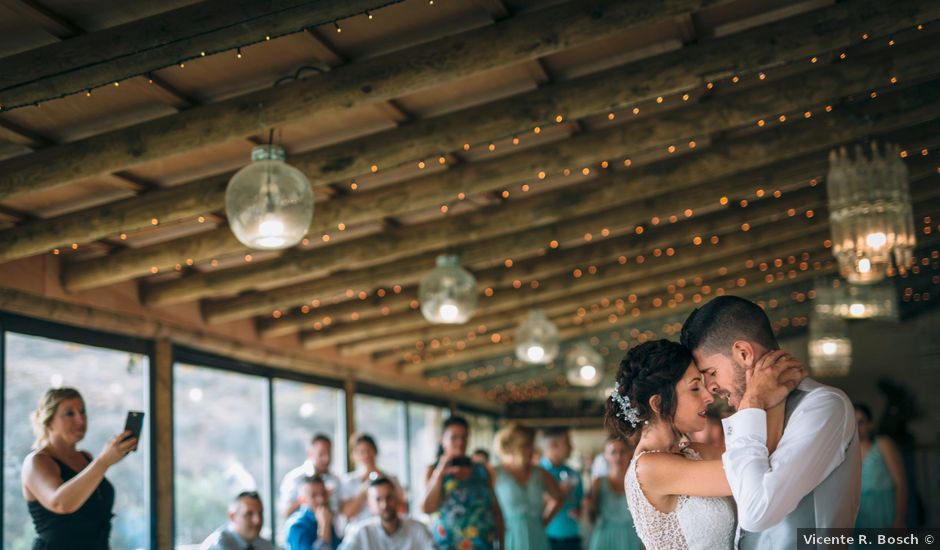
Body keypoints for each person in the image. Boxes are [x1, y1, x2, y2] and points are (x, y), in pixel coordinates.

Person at [680, 295, 861, 549]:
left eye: (711, 373)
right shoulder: (748, 417)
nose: (710, 389)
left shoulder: (823, 405)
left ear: (743, 353)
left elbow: (757, 514)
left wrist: (752, 401)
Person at [21, 387, 137, 550]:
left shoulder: (86, 457)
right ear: (48, 421)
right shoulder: (36, 461)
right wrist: (103, 462)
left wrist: (108, 458)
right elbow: (60, 504)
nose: (80, 420)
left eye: (82, 412)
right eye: (69, 413)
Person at [422, 416, 503, 549]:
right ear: (443, 439)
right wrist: (441, 471)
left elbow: (496, 510)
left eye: (464, 437)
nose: (460, 443)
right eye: (454, 437)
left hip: (482, 545)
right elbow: (427, 508)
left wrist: (501, 544)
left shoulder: (481, 470)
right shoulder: (433, 470)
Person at [493, 422, 564, 550]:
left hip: (537, 535)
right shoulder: (495, 473)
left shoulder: (539, 472)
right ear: (514, 447)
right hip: (509, 536)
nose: (532, 450)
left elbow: (558, 498)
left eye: (532, 445)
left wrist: (543, 522)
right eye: (527, 445)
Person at [339, 477, 435, 550]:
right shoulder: (361, 532)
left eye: (389, 497)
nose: (385, 505)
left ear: (397, 498)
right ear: (369, 504)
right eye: (378, 499)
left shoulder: (417, 529)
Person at [854, 404, 907, 528]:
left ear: (870, 424)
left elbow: (901, 482)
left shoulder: (883, 444)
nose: (857, 428)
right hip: (859, 513)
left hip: (884, 508)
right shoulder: (847, 452)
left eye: (861, 422)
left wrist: (900, 519)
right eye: (853, 423)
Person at [338, 433, 405, 530]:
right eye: (360, 452)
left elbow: (401, 507)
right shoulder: (349, 481)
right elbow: (347, 513)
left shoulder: (391, 479)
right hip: (359, 531)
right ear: (354, 455)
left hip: (387, 530)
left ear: (375, 450)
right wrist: (365, 489)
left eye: (368, 450)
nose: (365, 455)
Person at [584, 438, 642, 550]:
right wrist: (587, 507)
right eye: (613, 452)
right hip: (604, 537)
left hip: (632, 538)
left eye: (622, 451)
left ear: (630, 453)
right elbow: (590, 518)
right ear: (605, 455)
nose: (618, 456)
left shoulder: (638, 482)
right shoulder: (598, 482)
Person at [539, 428, 583, 550]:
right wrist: (558, 493)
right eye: (568, 443)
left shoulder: (573, 473)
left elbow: (580, 503)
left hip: (573, 538)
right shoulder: (536, 474)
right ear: (553, 445)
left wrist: (581, 511)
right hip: (545, 539)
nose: (572, 447)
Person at [279, 434, 340, 519]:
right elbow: (285, 512)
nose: (327, 458)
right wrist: (305, 499)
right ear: (310, 453)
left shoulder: (335, 480)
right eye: (321, 454)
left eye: (329, 453)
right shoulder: (294, 478)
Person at [200, 491, 276, 550]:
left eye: (260, 513)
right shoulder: (217, 546)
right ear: (232, 516)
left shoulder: (265, 546)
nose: (258, 521)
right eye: (249, 514)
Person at [285, 476, 341, 550]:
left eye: (323, 494)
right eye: (313, 496)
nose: (321, 500)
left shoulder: (326, 518)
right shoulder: (297, 526)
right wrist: (324, 527)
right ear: (302, 500)